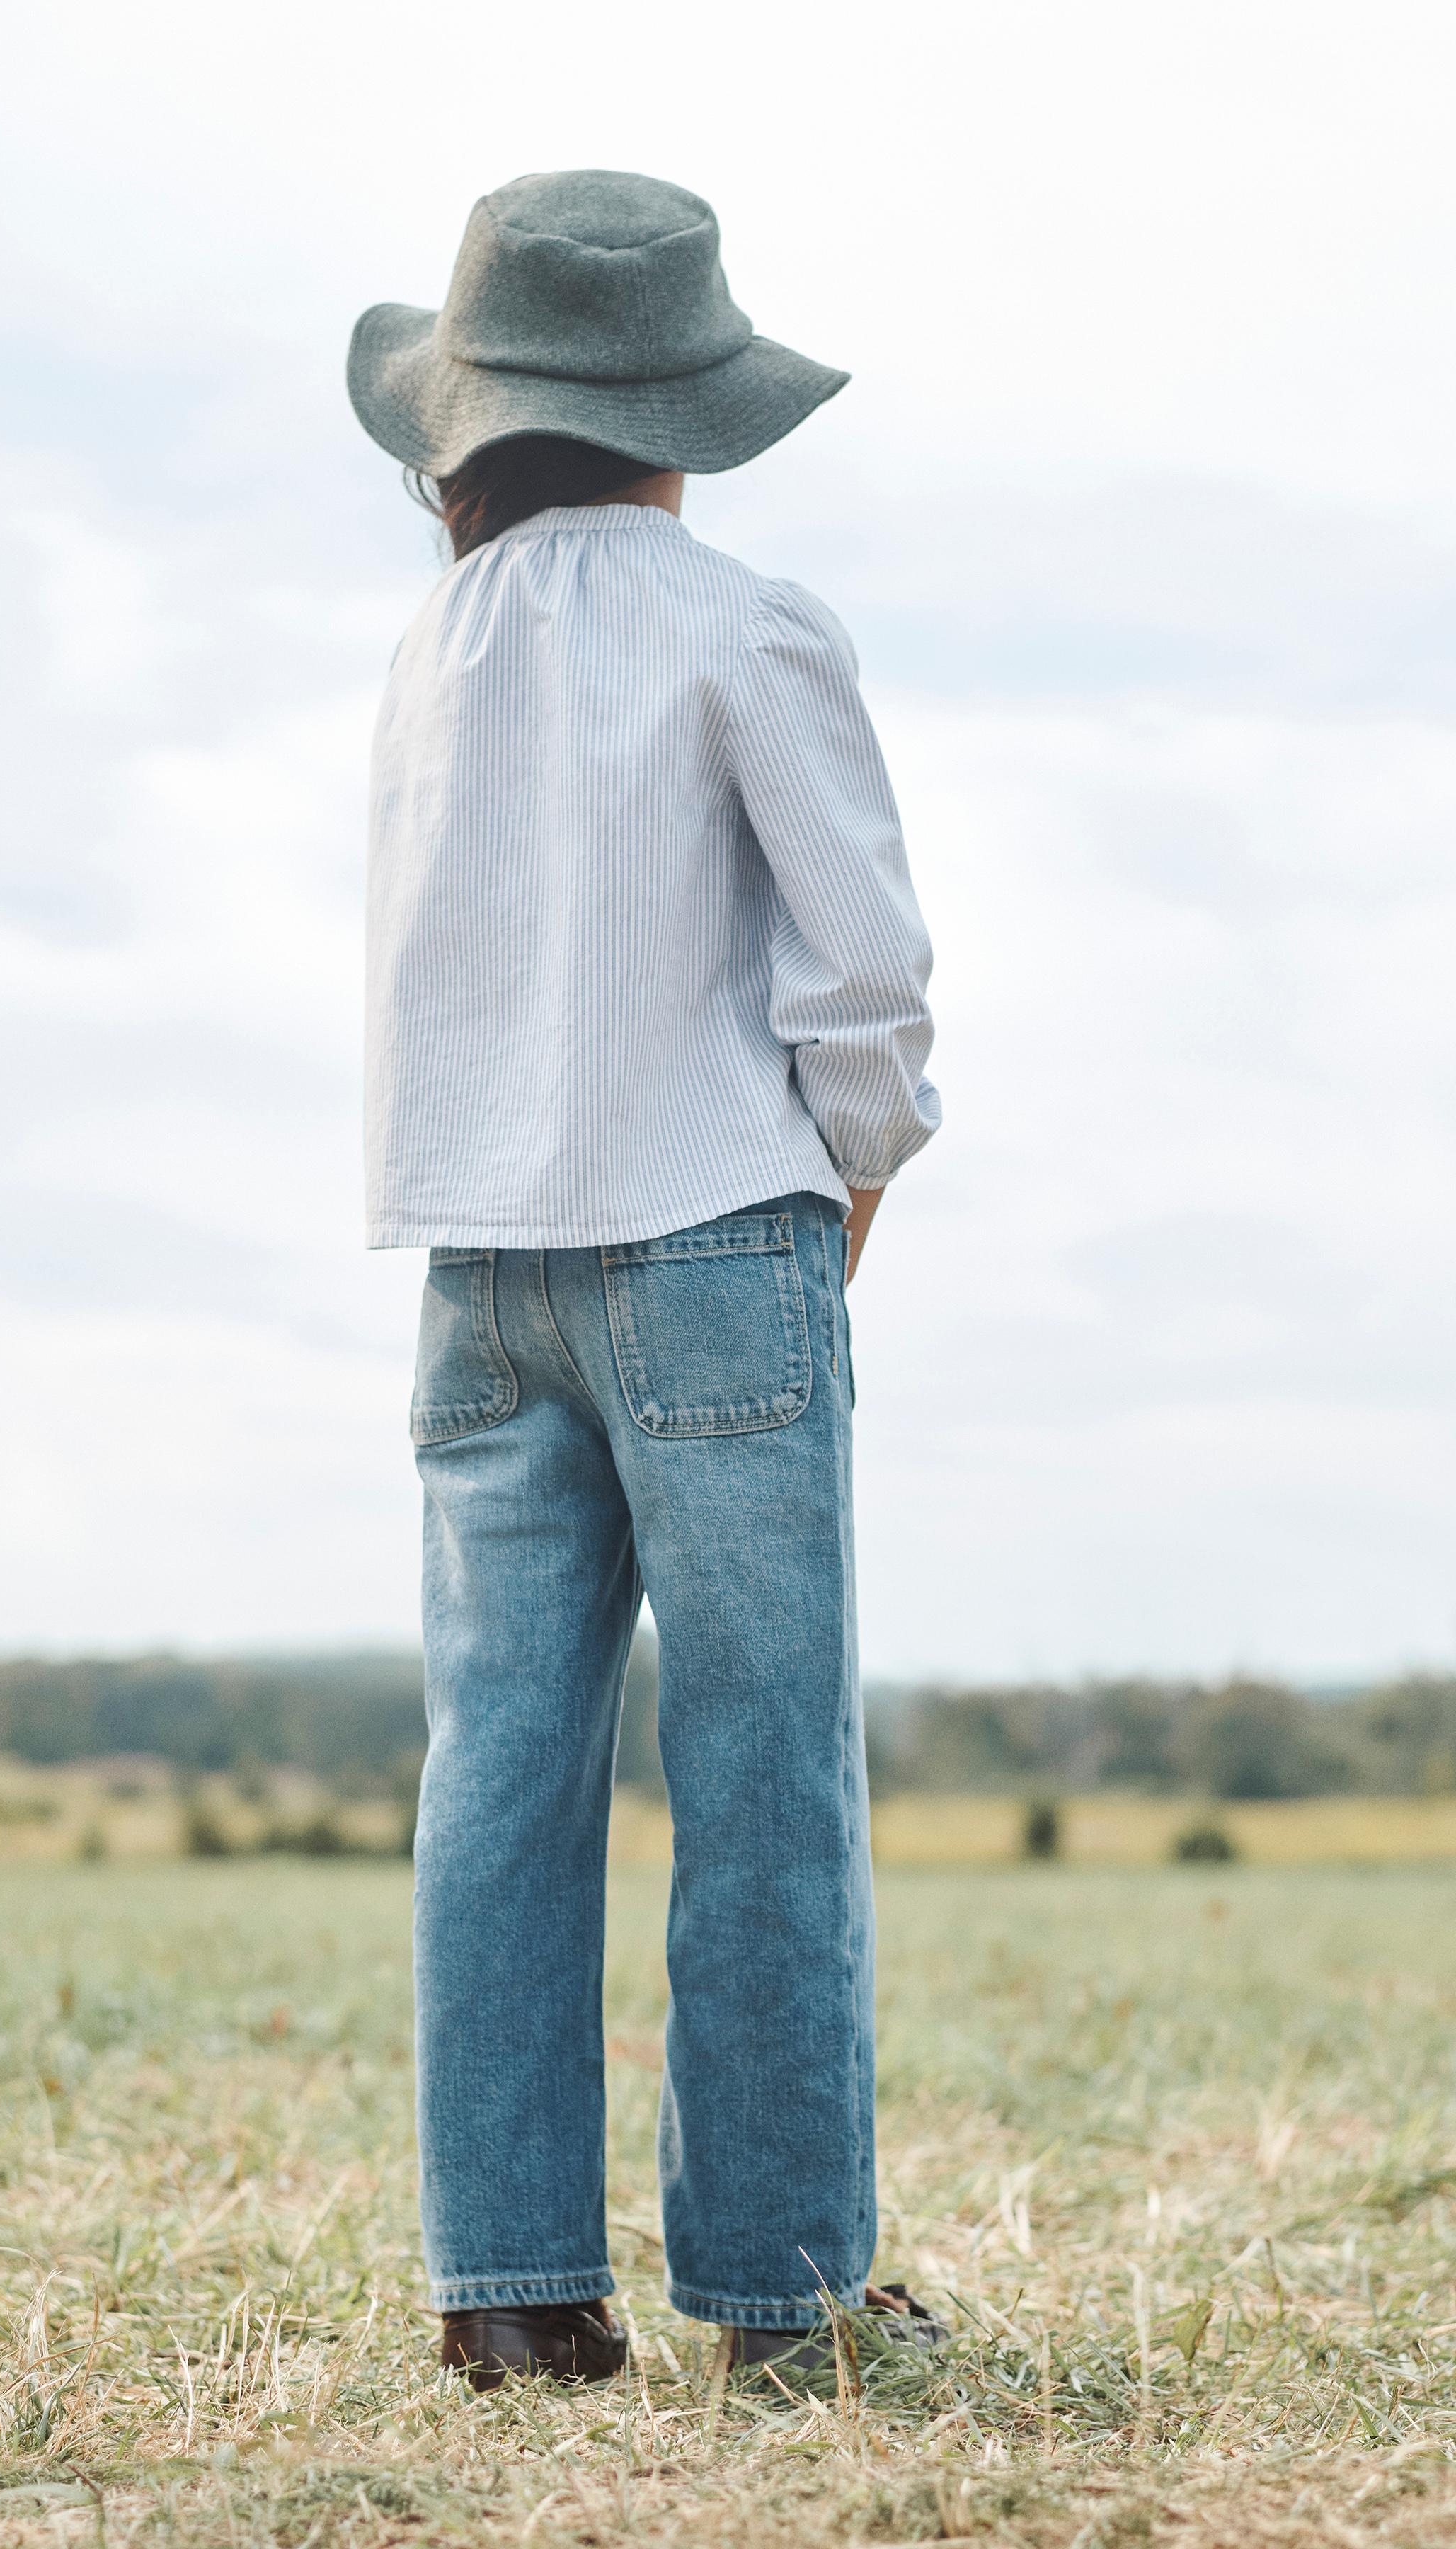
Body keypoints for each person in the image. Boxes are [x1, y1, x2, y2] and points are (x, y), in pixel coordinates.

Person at [348, 169, 943, 2390]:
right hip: (716, 1241)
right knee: (768, 1765)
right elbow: (865, 985)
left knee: (496, 1764)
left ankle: (511, 2296)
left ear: (472, 423)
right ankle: (782, 2295)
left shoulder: (436, 647)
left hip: (478, 1274)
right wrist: (844, 1208)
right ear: (681, 412)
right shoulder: (746, 624)